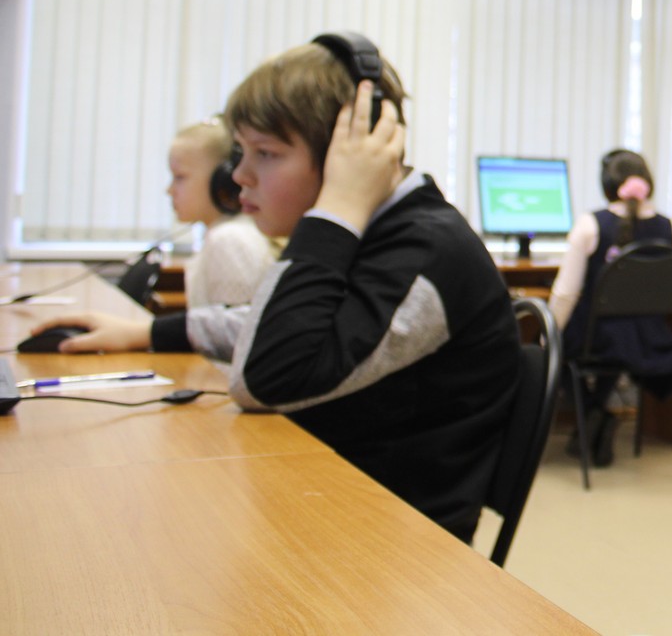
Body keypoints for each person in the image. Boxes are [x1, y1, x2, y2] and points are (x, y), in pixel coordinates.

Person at [34, 36, 521, 541]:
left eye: (265, 153)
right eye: (241, 151)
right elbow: (297, 326)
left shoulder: (425, 251)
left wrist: (337, 207)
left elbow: (270, 378)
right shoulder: (380, 231)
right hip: (328, 499)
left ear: (345, 156)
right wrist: (149, 333)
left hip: (388, 542)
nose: (239, 176)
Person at [551, 148, 672, 466]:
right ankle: (597, 415)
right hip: (650, 340)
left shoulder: (590, 225)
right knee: (618, 341)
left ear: (607, 185)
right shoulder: (670, 227)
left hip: (598, 340)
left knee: (556, 348)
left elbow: (566, 294)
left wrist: (548, 335)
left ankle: (592, 412)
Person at [166, 118, 276, 308]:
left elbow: (231, 325)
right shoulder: (226, 233)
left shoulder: (229, 240)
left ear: (224, 179)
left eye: (180, 177)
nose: (169, 190)